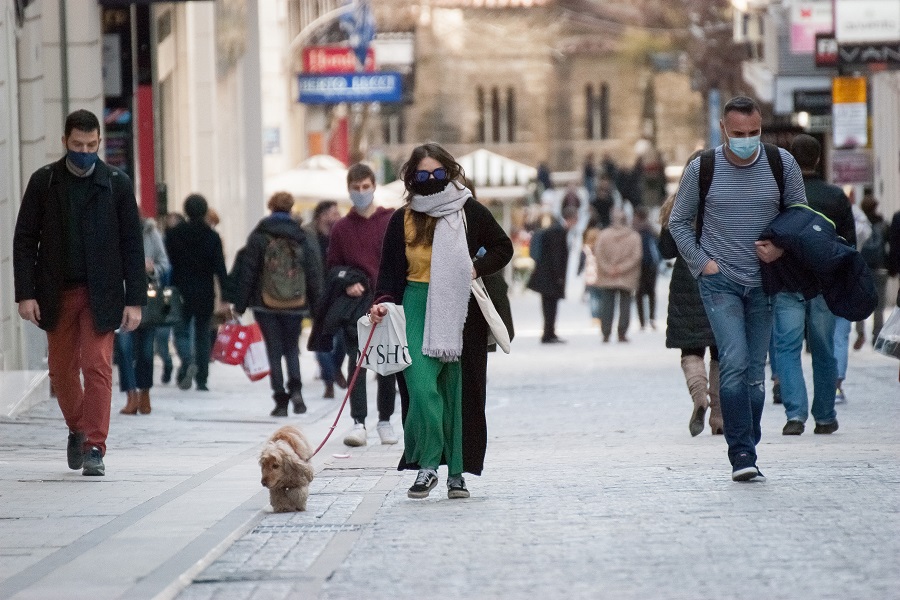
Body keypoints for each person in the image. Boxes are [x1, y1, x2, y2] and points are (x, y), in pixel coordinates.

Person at [669, 96, 807, 481]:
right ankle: (742, 453)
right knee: (734, 362)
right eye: (739, 134)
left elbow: (799, 217)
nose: (747, 140)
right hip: (721, 283)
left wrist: (780, 248)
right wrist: (704, 265)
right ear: (724, 131)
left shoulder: (782, 164)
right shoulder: (704, 168)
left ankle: (748, 435)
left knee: (755, 375)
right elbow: (678, 223)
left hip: (765, 282)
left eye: (754, 133)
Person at [371, 142, 513, 499]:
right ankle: (428, 464)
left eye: (438, 173)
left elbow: (502, 247)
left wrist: (473, 268)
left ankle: (456, 474)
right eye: (423, 174)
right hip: (414, 305)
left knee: (458, 393)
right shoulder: (401, 219)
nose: (431, 180)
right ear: (411, 177)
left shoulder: (469, 211)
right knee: (420, 388)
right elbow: (389, 274)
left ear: (449, 173)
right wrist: (382, 304)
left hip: (459, 307)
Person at [13, 109, 146, 477]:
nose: (84, 151)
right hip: (56, 290)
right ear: (64, 142)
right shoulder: (45, 182)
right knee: (61, 372)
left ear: (100, 142)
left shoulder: (116, 183)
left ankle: (94, 447)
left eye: (91, 145)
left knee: (97, 365)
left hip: (101, 292)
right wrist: (26, 294)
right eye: (77, 145)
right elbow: (25, 239)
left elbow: (132, 244)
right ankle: (77, 427)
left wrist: (134, 300)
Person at [771, 135, 855, 436]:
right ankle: (825, 416)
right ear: (819, 159)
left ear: (790, 159)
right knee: (823, 349)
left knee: (787, 348)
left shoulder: (779, 195)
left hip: (788, 283)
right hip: (823, 283)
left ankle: (795, 415)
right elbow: (849, 245)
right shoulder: (835, 196)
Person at [227, 191, 323, 416]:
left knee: (274, 351)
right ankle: (297, 392)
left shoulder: (259, 235)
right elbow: (313, 272)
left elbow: (248, 272)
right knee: (291, 348)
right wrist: (316, 306)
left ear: (271, 207)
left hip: (265, 303)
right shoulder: (302, 236)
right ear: (291, 208)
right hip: (296, 303)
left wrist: (240, 305)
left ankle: (280, 400)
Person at [326, 163, 398, 447]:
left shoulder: (390, 220)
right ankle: (358, 422)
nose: (361, 192)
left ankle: (385, 420)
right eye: (356, 188)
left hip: (385, 300)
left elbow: (399, 260)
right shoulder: (341, 228)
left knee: (386, 364)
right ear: (349, 190)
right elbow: (332, 267)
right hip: (355, 305)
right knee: (356, 362)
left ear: (374, 186)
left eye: (365, 187)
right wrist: (346, 283)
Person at [659, 169, 723, 437]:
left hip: (686, 284)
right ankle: (719, 417)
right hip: (719, 279)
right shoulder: (722, 201)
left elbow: (665, 251)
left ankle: (700, 398)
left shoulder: (675, 206)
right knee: (721, 351)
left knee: (691, 349)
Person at [165, 194, 228, 392]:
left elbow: (170, 262)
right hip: (204, 290)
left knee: (181, 331)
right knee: (203, 333)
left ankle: (187, 361)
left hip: (180, 289)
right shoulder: (212, 236)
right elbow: (220, 267)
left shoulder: (174, 234)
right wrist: (226, 295)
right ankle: (202, 378)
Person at [118, 217, 171, 415]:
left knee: (146, 352)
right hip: (120, 297)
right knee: (123, 349)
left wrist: (153, 268)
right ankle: (131, 395)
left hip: (146, 298)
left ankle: (145, 393)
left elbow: (164, 264)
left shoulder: (150, 232)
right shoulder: (112, 230)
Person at [303, 200, 346, 398]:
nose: (336, 216)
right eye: (332, 212)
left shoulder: (341, 234)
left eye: (338, 213)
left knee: (342, 340)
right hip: (316, 295)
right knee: (321, 339)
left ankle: (335, 369)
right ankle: (329, 380)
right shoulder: (308, 235)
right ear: (321, 215)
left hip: (339, 294)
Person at [527, 206, 579, 343]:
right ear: (570, 219)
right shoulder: (558, 231)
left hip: (546, 275)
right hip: (550, 277)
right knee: (550, 306)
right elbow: (556, 256)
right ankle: (548, 333)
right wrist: (559, 277)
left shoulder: (556, 229)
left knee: (549, 305)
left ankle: (549, 332)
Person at [594, 208, 642, 343]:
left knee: (607, 305)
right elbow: (636, 257)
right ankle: (622, 332)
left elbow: (598, 254)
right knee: (625, 305)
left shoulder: (603, 235)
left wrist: (608, 269)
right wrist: (621, 269)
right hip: (627, 276)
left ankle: (606, 332)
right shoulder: (634, 236)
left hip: (607, 275)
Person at [155, 212, 184, 384]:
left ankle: (177, 363)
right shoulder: (162, 241)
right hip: (163, 293)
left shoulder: (179, 241)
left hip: (172, 292)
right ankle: (168, 363)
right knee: (163, 334)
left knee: (168, 334)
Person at [858, 194, 890, 345]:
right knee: (879, 305)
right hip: (880, 268)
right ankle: (877, 334)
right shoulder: (883, 224)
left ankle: (860, 333)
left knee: (860, 300)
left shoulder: (859, 223)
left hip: (861, 268)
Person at [633, 206, 661, 330]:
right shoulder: (651, 230)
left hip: (638, 265)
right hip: (651, 265)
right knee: (651, 292)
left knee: (639, 293)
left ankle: (642, 321)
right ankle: (651, 318)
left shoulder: (635, 231)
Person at [582, 225, 602, 326]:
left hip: (590, 276)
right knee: (601, 297)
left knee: (593, 297)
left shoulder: (585, 249)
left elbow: (581, 261)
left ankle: (594, 317)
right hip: (601, 275)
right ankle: (601, 315)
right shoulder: (602, 248)